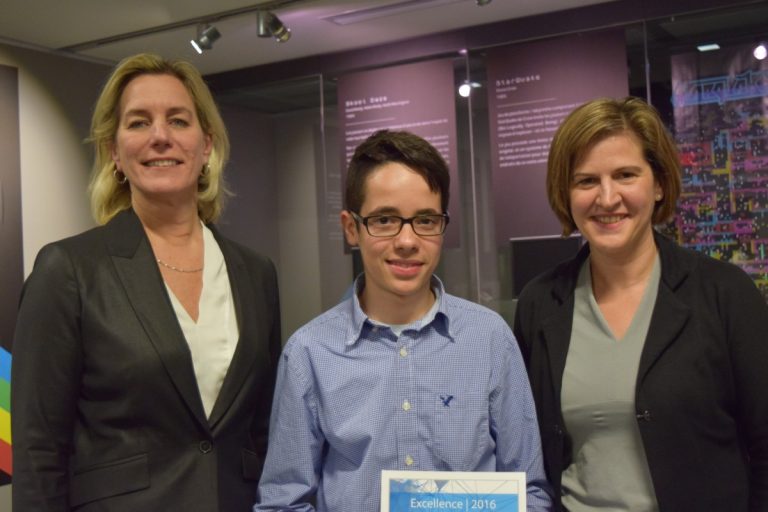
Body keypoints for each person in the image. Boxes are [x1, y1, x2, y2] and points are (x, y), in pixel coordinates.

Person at [11, 53, 281, 511]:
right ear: (115, 151)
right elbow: (38, 452)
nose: (160, 137)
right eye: (138, 123)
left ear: (206, 145)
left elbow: (263, 432)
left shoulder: (255, 273)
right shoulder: (68, 270)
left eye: (178, 120)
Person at [255, 129, 552, 511]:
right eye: (384, 220)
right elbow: (284, 502)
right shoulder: (309, 353)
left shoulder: (489, 339)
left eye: (425, 220)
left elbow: (530, 490)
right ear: (351, 228)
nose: (408, 241)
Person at [513, 96, 768, 511]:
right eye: (586, 181)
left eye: (626, 174)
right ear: (566, 192)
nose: (607, 197)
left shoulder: (725, 294)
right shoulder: (540, 304)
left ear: (660, 183)